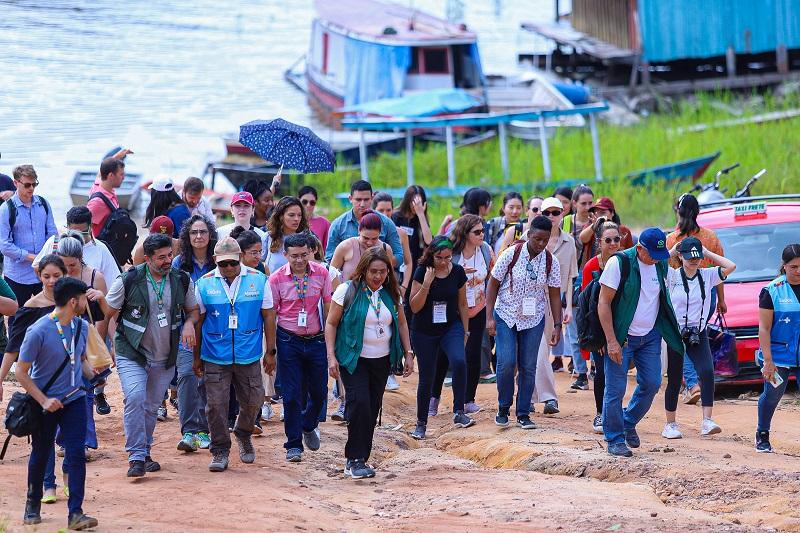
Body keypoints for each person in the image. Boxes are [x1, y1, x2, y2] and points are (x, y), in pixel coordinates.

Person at [94, 233, 200, 477]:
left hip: (165, 355)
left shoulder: (181, 279)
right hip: (131, 351)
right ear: (148, 258)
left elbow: (193, 311)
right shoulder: (129, 279)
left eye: (169, 256)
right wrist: (100, 350)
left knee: (151, 406)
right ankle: (136, 456)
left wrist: (188, 324)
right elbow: (107, 314)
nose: (167, 261)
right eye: (161, 257)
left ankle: (144, 451)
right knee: (134, 397)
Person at [16, 277, 99, 530]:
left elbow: (80, 359)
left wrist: (91, 373)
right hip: (44, 403)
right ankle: (32, 504)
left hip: (74, 399)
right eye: (84, 298)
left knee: (75, 454)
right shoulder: (39, 330)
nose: (87, 302)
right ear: (74, 301)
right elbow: (21, 372)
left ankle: (76, 513)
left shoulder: (82, 328)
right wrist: (43, 400)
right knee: (40, 452)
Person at [325, 247, 414, 478]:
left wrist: (408, 352)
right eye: (373, 271)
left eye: (383, 272)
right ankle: (354, 458)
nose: (378, 276)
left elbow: (402, 324)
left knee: (372, 408)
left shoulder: (392, 293)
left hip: (381, 360)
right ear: (363, 269)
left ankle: (360, 458)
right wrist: (331, 356)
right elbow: (331, 324)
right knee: (360, 403)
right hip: (353, 360)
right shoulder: (347, 290)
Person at [597, 227, 683, 457]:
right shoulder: (620, 264)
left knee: (653, 383)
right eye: (652, 255)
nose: (656, 259)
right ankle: (614, 439)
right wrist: (611, 341)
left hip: (650, 337)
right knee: (615, 389)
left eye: (660, 255)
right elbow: (603, 303)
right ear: (639, 248)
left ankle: (627, 421)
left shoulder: (660, 264)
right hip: (622, 338)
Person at [194, 237, 276, 472]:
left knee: (254, 400)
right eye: (223, 264)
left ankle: (243, 432)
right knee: (216, 405)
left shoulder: (259, 281)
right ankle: (220, 449)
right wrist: (196, 357)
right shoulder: (204, 284)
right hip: (214, 355)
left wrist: (270, 352)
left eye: (232, 262)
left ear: (240, 258)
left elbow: (269, 316)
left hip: (248, 354)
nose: (228, 268)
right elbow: (198, 322)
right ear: (215, 261)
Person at [486, 216, 561, 429]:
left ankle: (523, 413)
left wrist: (557, 325)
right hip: (506, 315)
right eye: (537, 239)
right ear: (528, 235)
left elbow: (555, 294)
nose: (540, 244)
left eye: (545, 240)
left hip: (533, 319)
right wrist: (489, 317)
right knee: (507, 362)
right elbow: (492, 284)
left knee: (529, 366)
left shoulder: (550, 261)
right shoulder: (511, 254)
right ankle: (503, 407)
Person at [662, 237, 736, 439]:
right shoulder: (672, 276)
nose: (694, 261)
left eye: (697, 257)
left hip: (698, 332)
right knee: (675, 378)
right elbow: (657, 264)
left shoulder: (708, 275)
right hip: (676, 332)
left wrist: (707, 253)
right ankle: (670, 424)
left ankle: (707, 420)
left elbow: (731, 266)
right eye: (689, 257)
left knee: (707, 371)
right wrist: (672, 250)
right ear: (681, 257)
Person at [269, 233, 331, 462]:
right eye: (294, 256)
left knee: (319, 391)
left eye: (304, 255)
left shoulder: (322, 273)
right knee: (292, 394)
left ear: (312, 251)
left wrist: (329, 339)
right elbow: (271, 314)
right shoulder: (275, 279)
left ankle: (308, 424)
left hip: (316, 339)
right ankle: (293, 444)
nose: (299, 260)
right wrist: (271, 348)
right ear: (285, 254)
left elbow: (327, 305)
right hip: (289, 340)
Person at [408, 236, 473, 439]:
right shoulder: (422, 271)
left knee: (459, 361)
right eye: (439, 258)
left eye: (448, 257)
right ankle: (421, 423)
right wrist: (427, 284)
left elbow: (462, 304)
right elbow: (414, 307)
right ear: (431, 255)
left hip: (450, 326)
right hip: (424, 330)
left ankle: (459, 412)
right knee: (427, 376)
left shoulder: (458, 272)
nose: (444, 262)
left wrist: (465, 331)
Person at [665, 193, 727, 404]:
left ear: (678, 212)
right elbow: (719, 272)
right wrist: (720, 300)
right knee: (696, 336)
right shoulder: (709, 237)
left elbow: (664, 270)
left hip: (679, 294)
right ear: (698, 212)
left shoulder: (673, 239)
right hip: (705, 293)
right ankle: (695, 381)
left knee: (679, 340)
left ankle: (692, 383)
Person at [429, 215, 494, 416]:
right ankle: (433, 399)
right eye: (477, 232)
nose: (482, 235)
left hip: (478, 308)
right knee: (443, 356)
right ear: (465, 233)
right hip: (453, 310)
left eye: (483, 231)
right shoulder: (453, 254)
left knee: (473, 354)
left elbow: (493, 276)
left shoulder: (485, 250)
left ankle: (468, 399)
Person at [172, 215, 217, 452]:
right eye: (193, 233)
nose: (198, 236)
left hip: (214, 332)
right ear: (187, 237)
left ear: (210, 235)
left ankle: (209, 429)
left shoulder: (220, 262)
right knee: (188, 377)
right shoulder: (178, 264)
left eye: (203, 232)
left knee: (210, 380)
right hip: (186, 331)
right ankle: (190, 431)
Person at [531, 198, 578, 415]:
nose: (551, 216)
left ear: (563, 214)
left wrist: (567, 308)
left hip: (555, 304)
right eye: (547, 212)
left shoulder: (569, 243)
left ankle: (528, 396)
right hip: (530, 302)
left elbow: (569, 277)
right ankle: (549, 397)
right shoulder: (528, 238)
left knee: (544, 350)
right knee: (537, 350)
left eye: (556, 212)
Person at [754, 244, 800, 453]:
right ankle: (762, 434)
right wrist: (768, 361)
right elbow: (764, 328)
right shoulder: (771, 290)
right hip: (778, 355)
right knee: (773, 395)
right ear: (784, 266)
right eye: (793, 267)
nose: (798, 271)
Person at [0, 165, 58, 323]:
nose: (31, 188)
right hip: (17, 276)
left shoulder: (43, 204)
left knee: (50, 314)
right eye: (27, 185)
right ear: (15, 183)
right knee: (16, 320)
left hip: (42, 274)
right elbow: (4, 245)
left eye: (34, 184)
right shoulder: (6, 209)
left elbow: (52, 234)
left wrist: (48, 256)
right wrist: (35, 258)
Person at [581, 221, 623, 433]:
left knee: (619, 372)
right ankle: (600, 413)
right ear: (599, 242)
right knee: (601, 372)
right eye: (608, 240)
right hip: (599, 326)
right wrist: (599, 337)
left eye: (617, 239)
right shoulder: (591, 267)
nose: (613, 243)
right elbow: (587, 303)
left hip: (622, 326)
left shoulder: (625, 263)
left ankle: (614, 412)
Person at [34, 206, 120, 292]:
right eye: (73, 233)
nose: (79, 237)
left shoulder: (101, 249)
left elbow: (115, 284)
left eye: (83, 233)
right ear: (67, 227)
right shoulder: (54, 243)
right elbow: (37, 266)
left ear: (90, 227)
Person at [325, 179, 403, 267]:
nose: (362, 204)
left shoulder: (387, 223)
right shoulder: (338, 225)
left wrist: (381, 262)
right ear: (350, 199)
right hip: (348, 277)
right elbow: (329, 258)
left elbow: (399, 256)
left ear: (372, 198)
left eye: (366, 199)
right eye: (358, 199)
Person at [391, 185, 434, 298]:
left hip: (415, 265)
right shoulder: (396, 216)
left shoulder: (420, 219)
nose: (416, 206)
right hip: (399, 264)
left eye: (420, 203)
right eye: (414, 202)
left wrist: (421, 214)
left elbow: (429, 241)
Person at [330, 210, 396, 281]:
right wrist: (340, 290)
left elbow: (389, 277)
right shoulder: (345, 246)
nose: (369, 243)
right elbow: (332, 274)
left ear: (380, 233)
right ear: (359, 230)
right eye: (365, 238)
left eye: (374, 239)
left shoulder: (386, 249)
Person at [265, 196, 309, 275]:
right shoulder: (268, 237)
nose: (296, 219)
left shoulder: (307, 238)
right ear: (281, 216)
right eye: (291, 215)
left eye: (299, 215)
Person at [87, 155, 127, 238]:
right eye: (121, 174)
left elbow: (100, 172)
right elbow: (83, 226)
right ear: (111, 176)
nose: (124, 178)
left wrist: (118, 156)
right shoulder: (97, 202)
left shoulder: (98, 184)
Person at [298, 185, 330, 252]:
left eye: (312, 202)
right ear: (298, 200)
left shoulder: (324, 223)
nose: (308, 205)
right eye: (304, 202)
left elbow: (327, 249)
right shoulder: (293, 221)